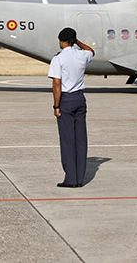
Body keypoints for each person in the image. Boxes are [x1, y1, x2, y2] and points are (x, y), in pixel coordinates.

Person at [48, 27, 95, 188]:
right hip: (80, 98)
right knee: (81, 139)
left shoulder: (58, 59)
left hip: (66, 100)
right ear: (74, 41)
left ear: (61, 41)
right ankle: (80, 178)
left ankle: (71, 178)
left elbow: (56, 83)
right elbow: (91, 51)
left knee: (68, 140)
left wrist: (56, 105)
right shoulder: (82, 55)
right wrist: (78, 42)